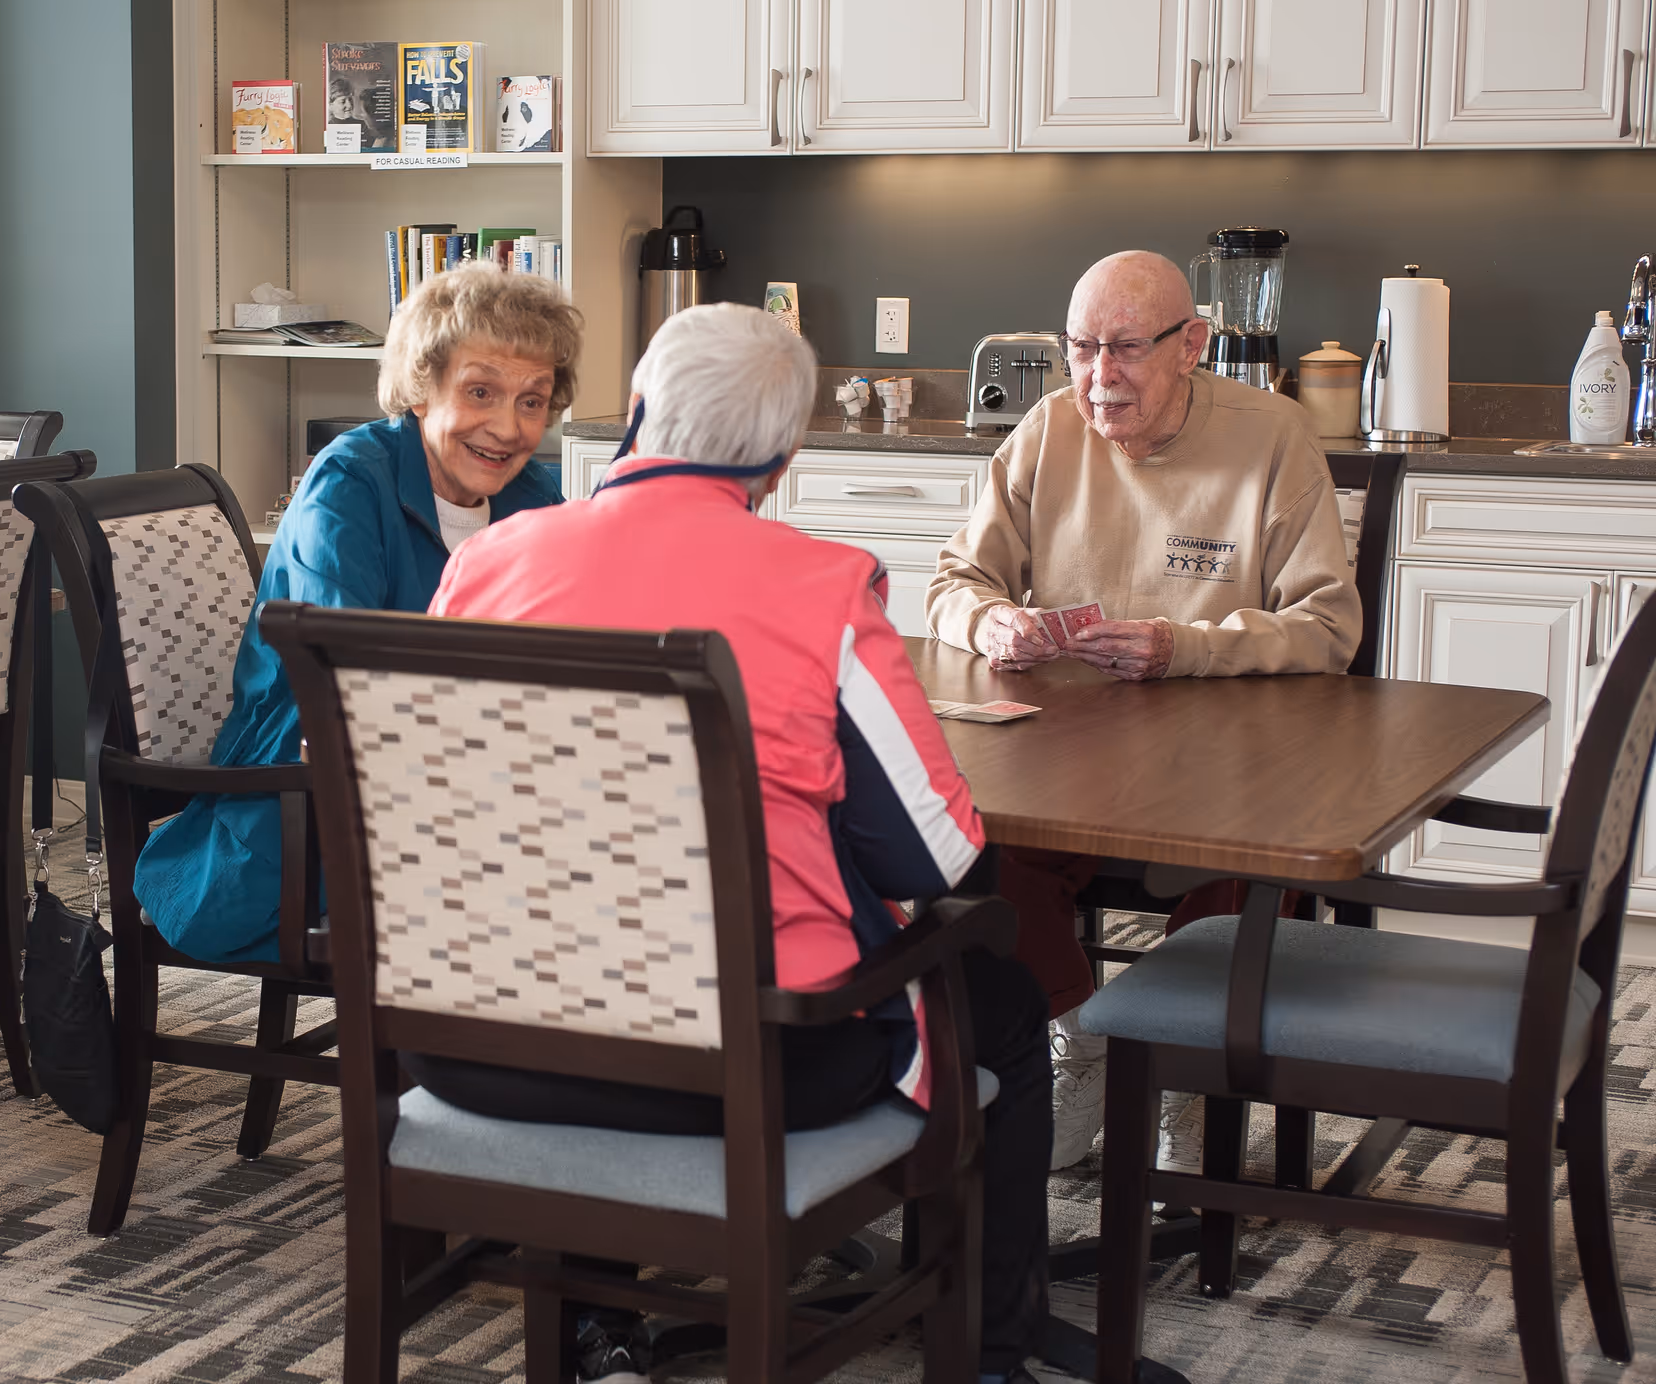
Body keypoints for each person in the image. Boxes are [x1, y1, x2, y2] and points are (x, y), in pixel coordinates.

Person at [428, 304, 1054, 1384]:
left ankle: (593, 1324)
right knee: (1002, 999)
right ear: (785, 456)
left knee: (592, 934)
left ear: (634, 414)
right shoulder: (821, 587)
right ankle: (997, 1355)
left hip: (481, 1044)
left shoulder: (489, 563)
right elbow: (933, 859)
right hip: (757, 1067)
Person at [925, 249, 1363, 1177]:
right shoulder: (1048, 430)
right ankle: (1079, 1033)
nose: (1098, 377)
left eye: (1124, 349)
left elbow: (1328, 625)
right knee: (962, 839)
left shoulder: (1274, 436)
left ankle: (1192, 1079)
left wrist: (1187, 646)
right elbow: (953, 580)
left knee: (1251, 861)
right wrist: (992, 620)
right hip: (1064, 748)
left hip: (1223, 757)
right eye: (1080, 348)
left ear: (1191, 345)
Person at [133, 264, 581, 963]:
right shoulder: (350, 480)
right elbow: (351, 672)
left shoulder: (532, 493)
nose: (507, 426)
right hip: (311, 789)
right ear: (422, 386)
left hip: (464, 779)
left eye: (533, 401)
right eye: (481, 391)